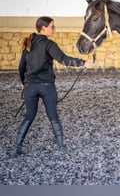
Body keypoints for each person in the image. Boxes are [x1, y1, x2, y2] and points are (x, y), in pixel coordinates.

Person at [12, 16, 93, 157]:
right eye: (52, 27)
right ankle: (62, 147)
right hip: (46, 86)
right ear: (43, 28)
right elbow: (63, 59)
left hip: (30, 87)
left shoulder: (28, 45)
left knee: (29, 116)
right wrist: (83, 63)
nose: (54, 29)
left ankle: (17, 148)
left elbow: (21, 68)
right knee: (53, 117)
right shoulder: (49, 44)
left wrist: (23, 83)